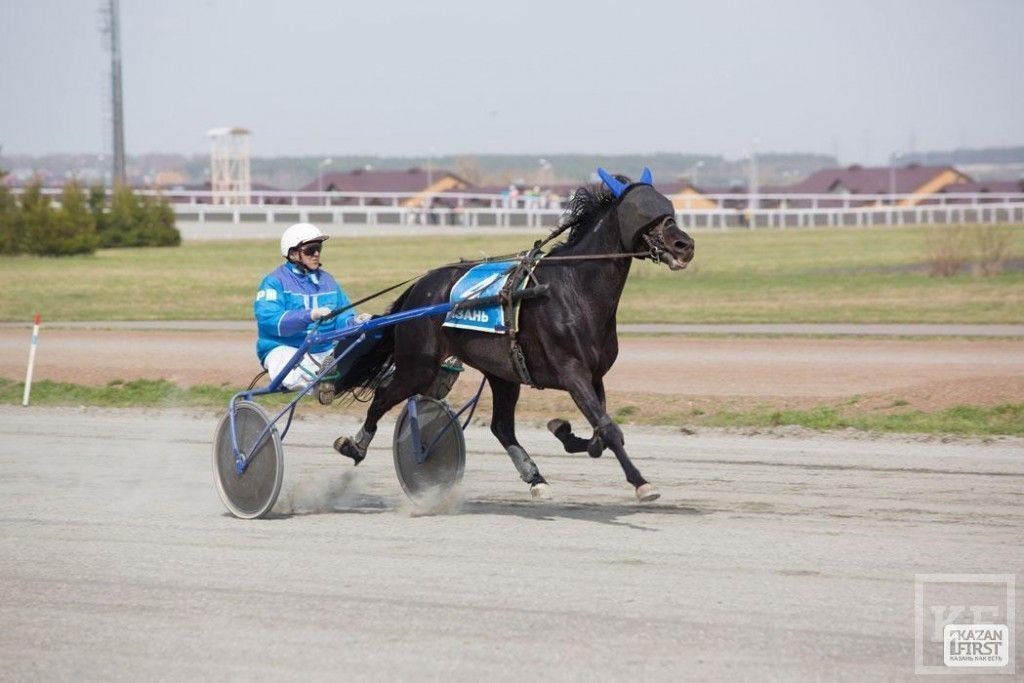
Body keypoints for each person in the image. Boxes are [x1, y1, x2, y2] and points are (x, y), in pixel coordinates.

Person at [254, 222, 364, 404]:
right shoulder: (274, 282)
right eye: (310, 250)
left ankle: (328, 378)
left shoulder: (328, 281)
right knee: (289, 372)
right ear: (293, 253)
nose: (316, 254)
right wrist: (309, 315)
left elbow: (343, 315)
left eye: (319, 248)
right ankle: (322, 383)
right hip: (284, 347)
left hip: (323, 350)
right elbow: (269, 320)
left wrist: (354, 322)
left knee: (356, 355)